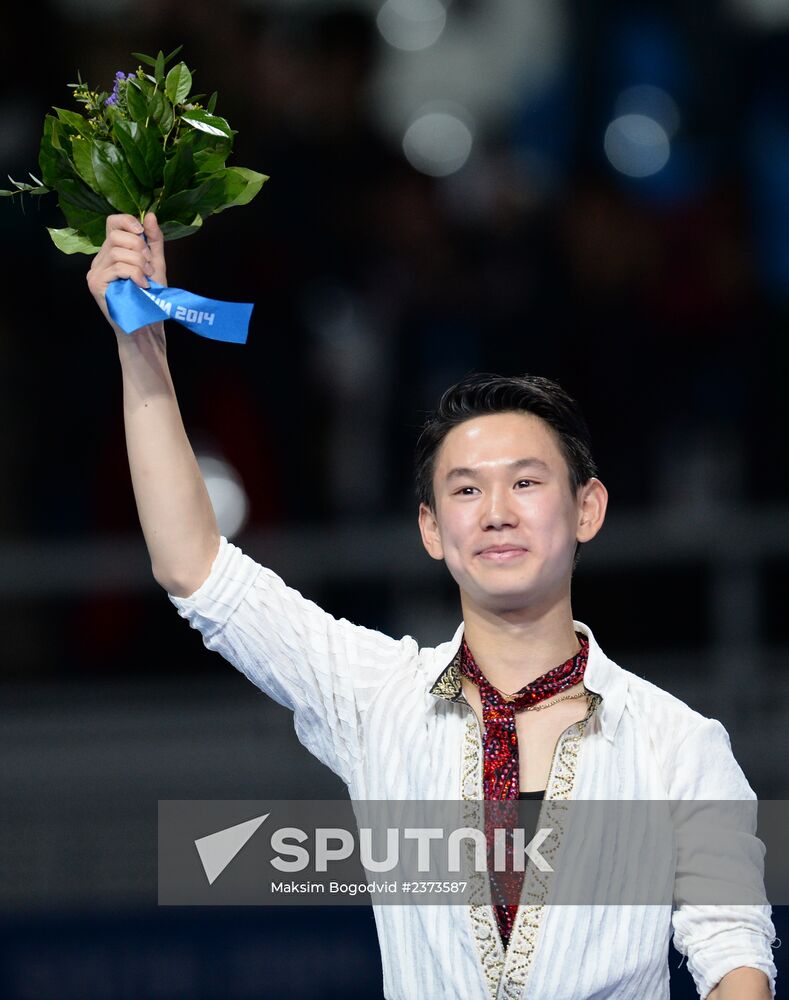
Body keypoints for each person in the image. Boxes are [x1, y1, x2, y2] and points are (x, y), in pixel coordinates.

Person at [88, 213, 777, 1000]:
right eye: (464, 489)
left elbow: (734, 957)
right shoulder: (378, 696)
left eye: (525, 483)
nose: (494, 511)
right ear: (430, 530)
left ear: (586, 509)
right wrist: (140, 341)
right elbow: (194, 568)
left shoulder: (678, 744)